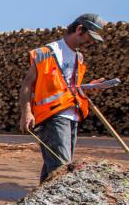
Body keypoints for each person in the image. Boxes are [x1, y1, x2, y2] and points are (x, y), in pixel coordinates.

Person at [18, 13, 107, 182]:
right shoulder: (46, 53)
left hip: (72, 116)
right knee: (61, 171)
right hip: (52, 117)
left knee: (54, 171)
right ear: (79, 29)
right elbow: (27, 85)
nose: (91, 42)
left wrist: (88, 88)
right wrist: (26, 112)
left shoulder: (78, 57)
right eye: (89, 37)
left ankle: (41, 198)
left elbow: (68, 88)